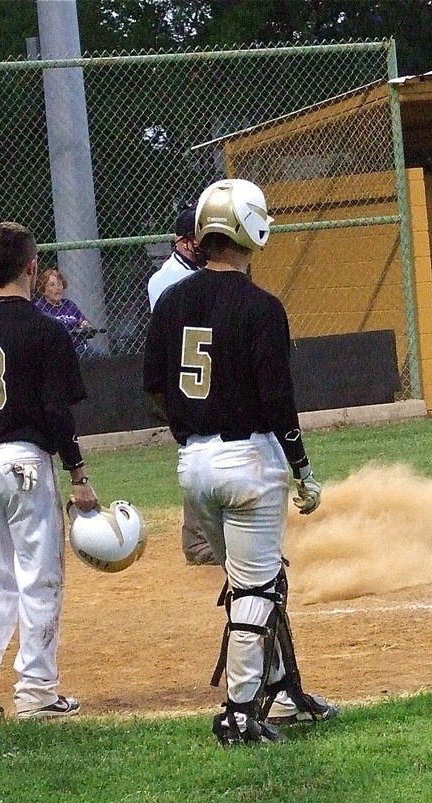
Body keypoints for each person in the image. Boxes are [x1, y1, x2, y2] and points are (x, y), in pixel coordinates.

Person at [142, 178, 337, 745]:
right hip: (249, 461)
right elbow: (278, 400)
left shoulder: (173, 298)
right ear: (252, 229)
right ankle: (240, 711)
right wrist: (302, 467)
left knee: (259, 580)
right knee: (256, 592)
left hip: (194, 464)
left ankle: (285, 685)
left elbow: (154, 382)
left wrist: (187, 423)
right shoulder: (262, 307)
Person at [0, 221, 98, 721]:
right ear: (32, 267)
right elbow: (56, 412)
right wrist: (78, 473)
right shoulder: (46, 330)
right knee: (39, 578)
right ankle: (38, 692)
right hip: (24, 462)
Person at [146, 203, 216, 565]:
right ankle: (199, 540)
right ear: (185, 242)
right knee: (199, 447)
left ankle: (212, 533)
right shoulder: (166, 279)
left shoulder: (204, 273)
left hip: (207, 369)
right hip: (188, 376)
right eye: (200, 238)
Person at [33, 267, 98, 358]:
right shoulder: (39, 307)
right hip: (56, 351)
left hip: (79, 347)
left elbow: (84, 322)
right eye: (52, 285)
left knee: (101, 358)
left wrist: (85, 325)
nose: (57, 288)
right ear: (44, 290)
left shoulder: (69, 305)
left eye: (59, 284)